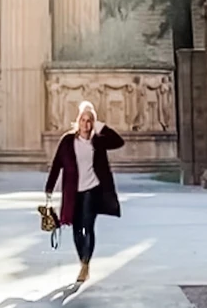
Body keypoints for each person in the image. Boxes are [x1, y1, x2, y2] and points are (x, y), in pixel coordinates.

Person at [45, 100, 124, 285]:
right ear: (77, 121)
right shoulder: (67, 141)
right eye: (83, 120)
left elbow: (118, 141)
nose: (86, 124)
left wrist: (100, 125)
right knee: (75, 228)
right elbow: (57, 164)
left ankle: (85, 265)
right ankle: (83, 259)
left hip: (92, 189)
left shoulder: (98, 141)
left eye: (89, 121)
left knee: (88, 227)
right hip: (73, 191)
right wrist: (49, 188)